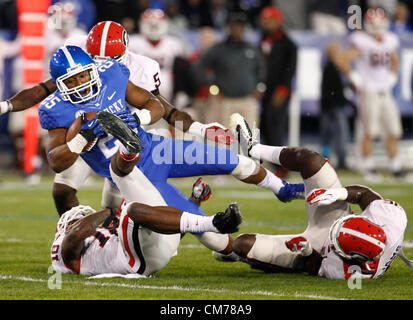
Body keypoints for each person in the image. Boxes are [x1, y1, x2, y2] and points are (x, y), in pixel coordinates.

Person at [40, 45, 304, 262]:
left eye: (83, 75)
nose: (80, 84)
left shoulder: (111, 73)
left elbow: (154, 103)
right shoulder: (57, 110)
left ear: (93, 70)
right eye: (71, 80)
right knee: (209, 232)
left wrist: (139, 118)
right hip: (134, 178)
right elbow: (56, 161)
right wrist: (82, 139)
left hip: (156, 149)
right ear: (59, 85)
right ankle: (235, 252)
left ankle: (283, 190)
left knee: (236, 162)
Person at [0, 21, 235, 215]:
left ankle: (126, 232)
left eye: (109, 59)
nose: (102, 65)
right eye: (95, 58)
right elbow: (44, 88)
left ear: (125, 52)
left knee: (123, 203)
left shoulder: (141, 66)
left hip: (123, 136)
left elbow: (164, 108)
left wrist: (201, 129)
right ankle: (71, 233)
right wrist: (7, 105)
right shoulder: (78, 52)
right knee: (62, 190)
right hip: (83, 131)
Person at [227, 113, 408, 279]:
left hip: (317, 248)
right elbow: (364, 195)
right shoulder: (392, 219)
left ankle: (235, 253)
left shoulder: (352, 273)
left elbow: (315, 267)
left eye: (336, 238)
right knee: (312, 160)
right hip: (338, 217)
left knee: (242, 245)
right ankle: (255, 150)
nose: (333, 234)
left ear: (351, 258)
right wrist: (338, 193)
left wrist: (306, 251)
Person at [51, 190, 242, 276]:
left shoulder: (97, 236)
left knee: (143, 210)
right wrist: (108, 211)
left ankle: (231, 245)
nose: (81, 220)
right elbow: (76, 235)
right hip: (131, 261)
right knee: (131, 210)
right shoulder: (62, 246)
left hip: (146, 254)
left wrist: (193, 201)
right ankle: (215, 223)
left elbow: (167, 227)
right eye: (75, 220)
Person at [341, 8, 404, 181]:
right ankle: (368, 168)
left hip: (386, 92)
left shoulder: (390, 40)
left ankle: (395, 168)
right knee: (369, 131)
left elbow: (395, 59)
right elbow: (344, 59)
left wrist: (392, 76)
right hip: (369, 92)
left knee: (394, 131)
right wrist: (355, 78)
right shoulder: (361, 40)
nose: (377, 27)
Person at [193, 12, 264, 130]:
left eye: (239, 27)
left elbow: (261, 69)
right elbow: (199, 67)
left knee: (250, 138)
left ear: (243, 29)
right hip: (225, 100)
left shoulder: (252, 49)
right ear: (229, 28)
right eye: (234, 26)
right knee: (224, 137)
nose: (237, 29)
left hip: (248, 99)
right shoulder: (218, 49)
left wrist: (261, 87)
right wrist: (211, 86)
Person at [258, 6, 297, 178]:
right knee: (265, 127)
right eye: (265, 21)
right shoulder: (262, 39)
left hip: (279, 91)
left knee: (276, 128)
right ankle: (272, 164)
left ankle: (282, 166)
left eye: (270, 20)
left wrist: (283, 90)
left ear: (278, 21)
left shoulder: (288, 44)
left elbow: (290, 70)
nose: (267, 24)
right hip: (265, 91)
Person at [319, 42, 351, 170]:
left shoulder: (331, 68)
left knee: (328, 135)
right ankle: (339, 160)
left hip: (330, 106)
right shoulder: (331, 68)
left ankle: (327, 160)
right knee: (339, 134)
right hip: (333, 107)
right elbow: (332, 91)